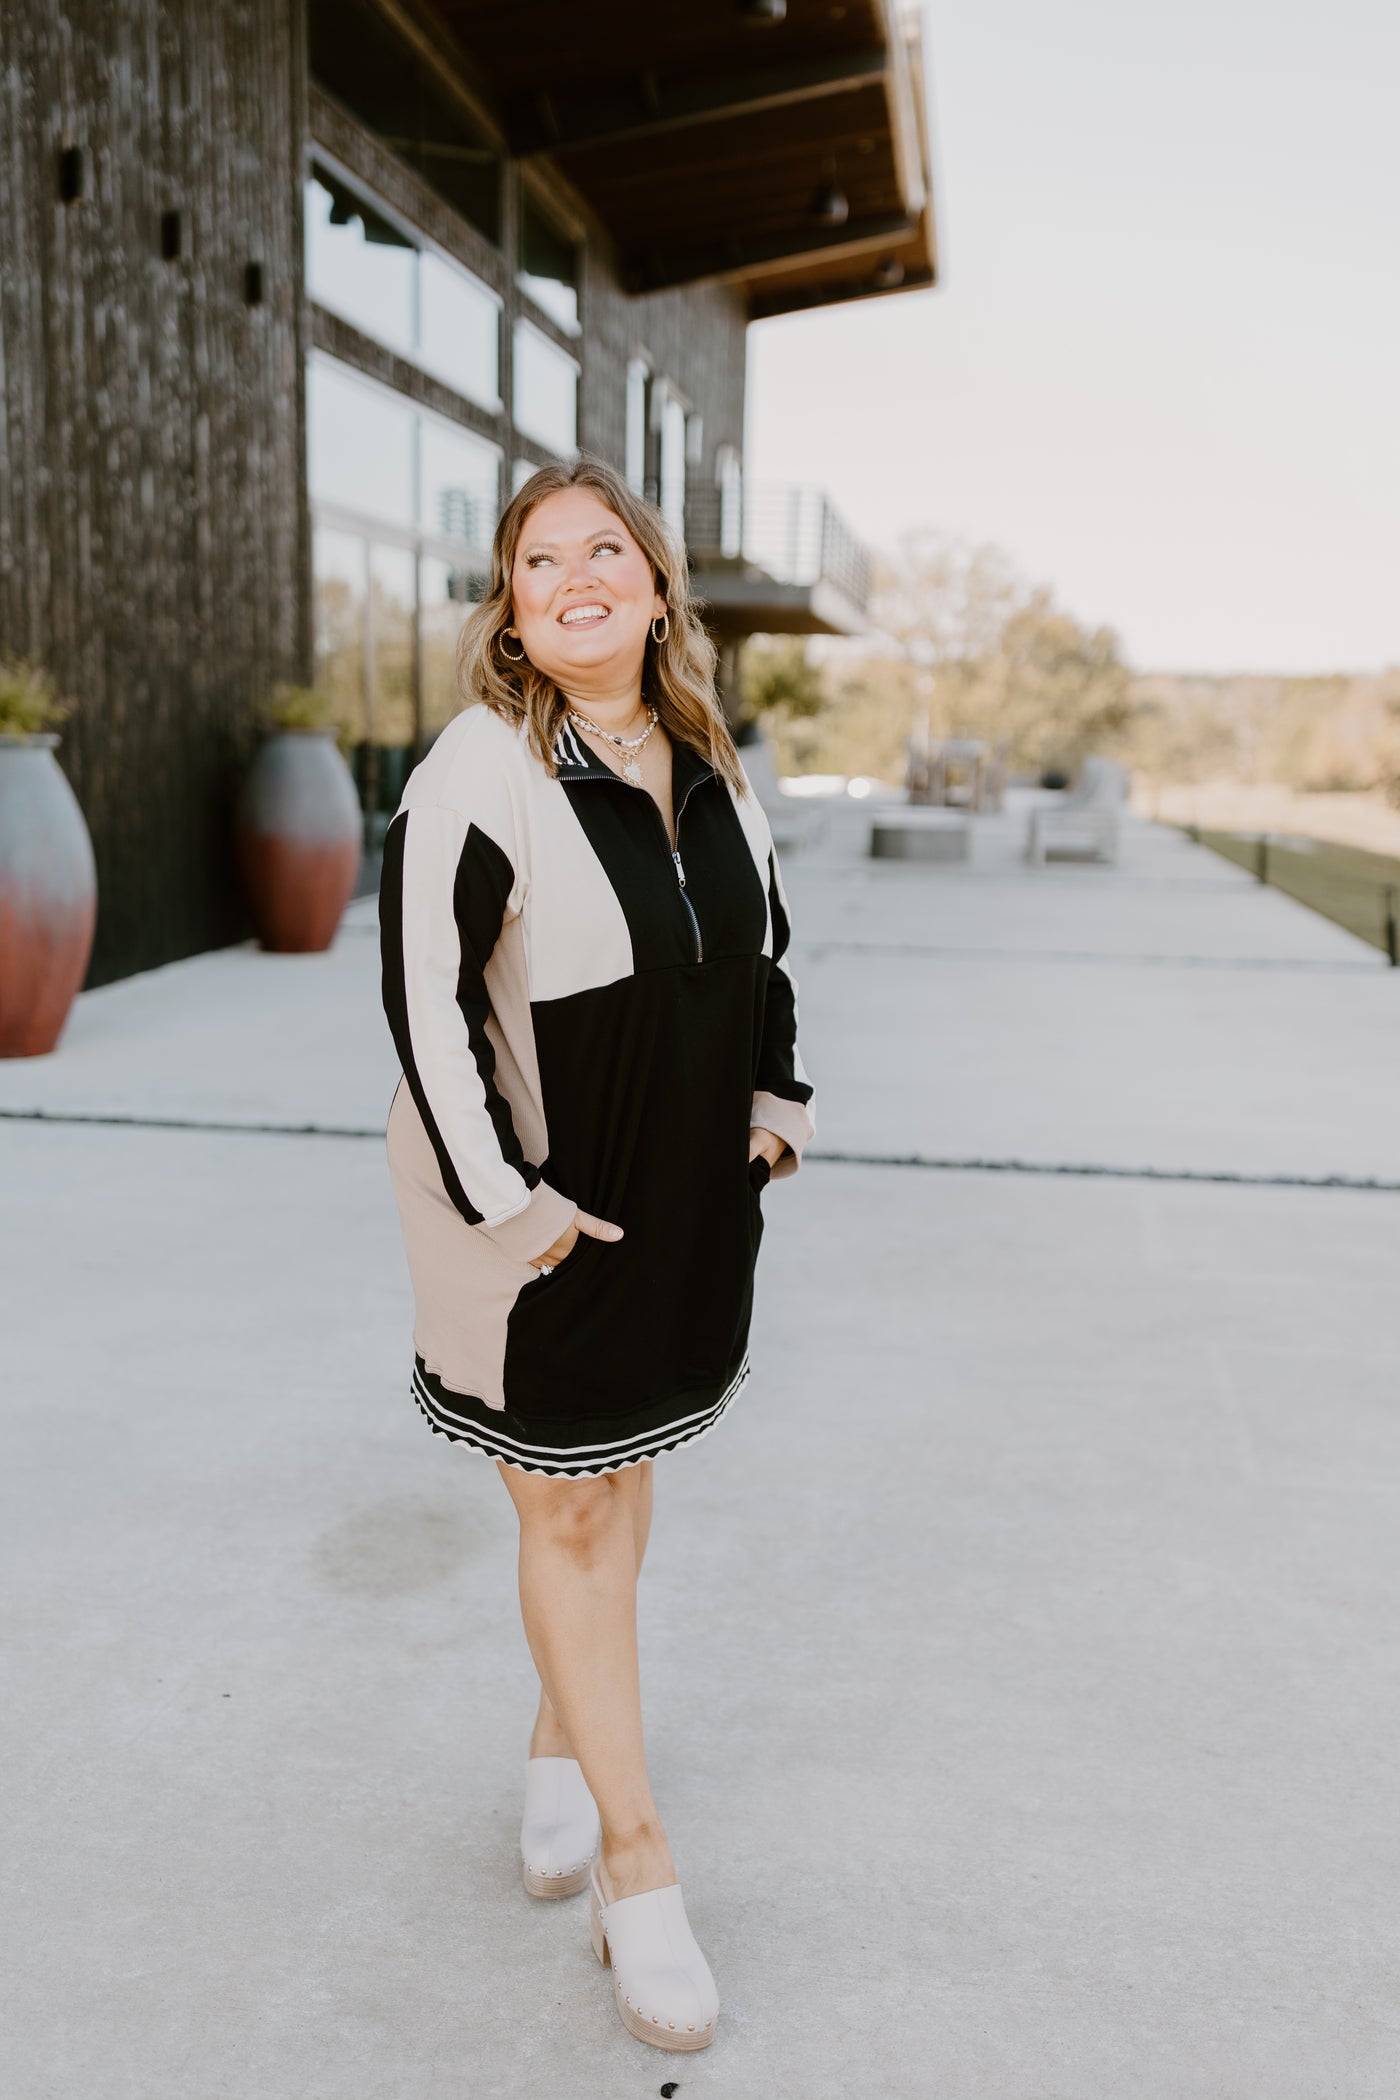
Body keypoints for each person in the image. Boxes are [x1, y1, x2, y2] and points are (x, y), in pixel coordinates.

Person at [378, 455, 815, 2053]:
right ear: (512, 602)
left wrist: (774, 1107)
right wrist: (519, 1208)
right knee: (566, 1508)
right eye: (539, 559)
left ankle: (564, 1750)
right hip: (540, 1224)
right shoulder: (477, 768)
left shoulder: (705, 748)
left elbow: (764, 943)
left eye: (603, 550)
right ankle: (642, 1864)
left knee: (617, 1492)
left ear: (650, 580)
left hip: (687, 1207)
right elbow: (423, 1007)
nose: (574, 577)